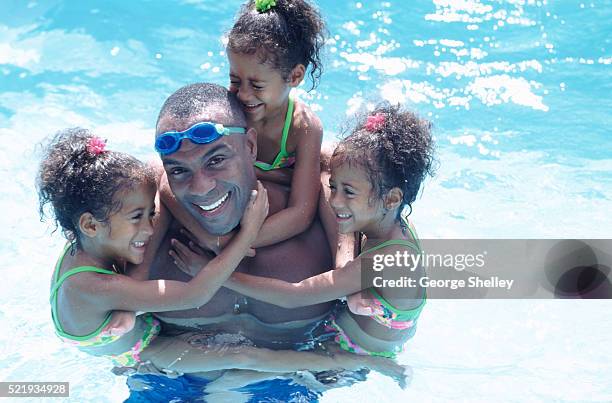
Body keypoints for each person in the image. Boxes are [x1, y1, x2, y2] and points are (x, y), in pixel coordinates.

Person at [36, 128, 395, 377]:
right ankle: (339, 363)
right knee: (242, 357)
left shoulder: (85, 250)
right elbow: (196, 293)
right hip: (140, 353)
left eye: (151, 215)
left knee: (235, 370)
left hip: (127, 340)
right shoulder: (91, 287)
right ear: (89, 224)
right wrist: (247, 234)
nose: (150, 227)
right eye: (139, 218)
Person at [149, 83, 408, 384]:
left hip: (302, 381)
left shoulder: (341, 212)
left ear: (250, 146)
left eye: (216, 160)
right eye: (179, 170)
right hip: (168, 384)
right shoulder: (142, 224)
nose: (201, 187)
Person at [176, 104, 436, 358]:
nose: (335, 201)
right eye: (335, 187)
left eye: (349, 192)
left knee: (245, 361)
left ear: (391, 199)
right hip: (337, 330)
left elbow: (296, 295)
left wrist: (213, 273)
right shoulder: (387, 220)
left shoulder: (391, 261)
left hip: (353, 353)